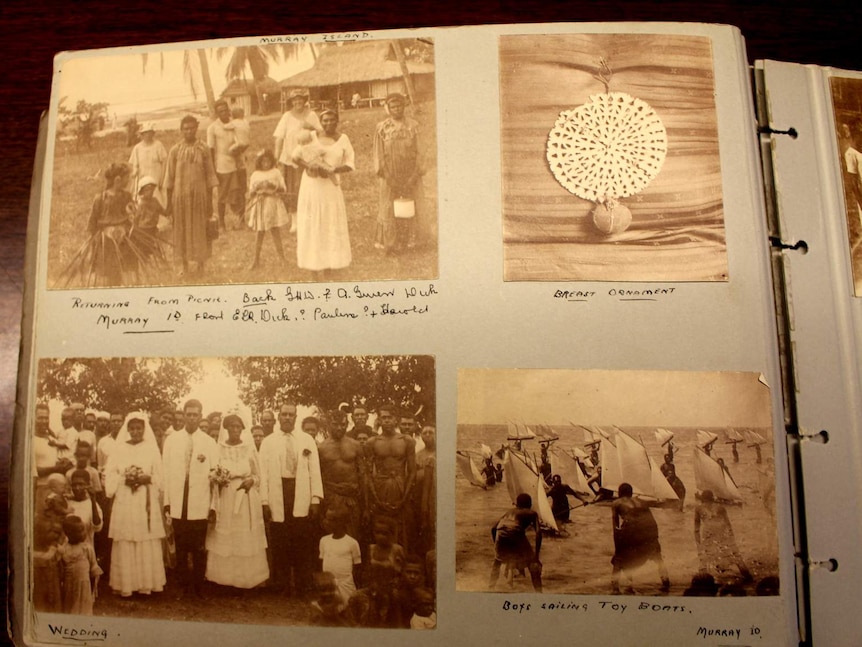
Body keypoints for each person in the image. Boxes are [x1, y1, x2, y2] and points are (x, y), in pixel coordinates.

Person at [258, 403, 324, 597]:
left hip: (300, 492)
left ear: (296, 418)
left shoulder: (307, 440)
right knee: (280, 541)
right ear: (279, 417)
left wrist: (315, 499)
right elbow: (263, 473)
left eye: (291, 415)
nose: (287, 418)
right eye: (284, 414)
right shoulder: (268, 442)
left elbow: (315, 471)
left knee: (302, 542)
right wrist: (264, 501)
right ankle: (281, 585)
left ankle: (303, 585)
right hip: (278, 493)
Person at [104, 412, 166, 597]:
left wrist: (148, 478)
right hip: (125, 497)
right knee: (126, 538)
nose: (135, 431)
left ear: (144, 429)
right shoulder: (119, 448)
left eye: (139, 428)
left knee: (145, 537)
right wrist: (125, 478)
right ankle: (126, 584)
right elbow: (110, 473)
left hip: (144, 499)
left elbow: (160, 477)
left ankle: (147, 584)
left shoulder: (151, 449)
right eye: (132, 428)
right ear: (127, 429)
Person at [161, 399, 218, 597]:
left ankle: (198, 586)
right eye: (189, 414)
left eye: (196, 414)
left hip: (199, 500)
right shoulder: (172, 440)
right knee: (181, 545)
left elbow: (215, 476)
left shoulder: (209, 442)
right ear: (183, 415)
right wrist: (167, 502)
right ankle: (184, 584)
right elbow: (166, 473)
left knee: (199, 546)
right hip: (178, 499)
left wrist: (213, 506)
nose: (192, 418)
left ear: (201, 416)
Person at [205, 414, 269, 589]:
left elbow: (259, 475)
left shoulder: (249, 448)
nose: (235, 430)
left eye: (238, 426)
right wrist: (217, 478)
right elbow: (212, 471)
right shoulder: (219, 449)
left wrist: (252, 481)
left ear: (242, 428)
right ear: (225, 429)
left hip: (246, 496)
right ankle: (225, 580)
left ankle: (246, 579)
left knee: (244, 536)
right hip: (225, 496)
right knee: (228, 534)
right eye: (231, 427)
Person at [292, 109, 354, 278]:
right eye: (325, 120)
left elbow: (350, 163)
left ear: (337, 121)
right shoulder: (311, 136)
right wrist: (310, 166)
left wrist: (334, 169)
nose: (328, 123)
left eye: (332, 120)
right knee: (312, 226)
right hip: (311, 188)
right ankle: (313, 272)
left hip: (330, 190)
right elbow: (295, 157)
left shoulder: (343, 139)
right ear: (321, 121)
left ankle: (329, 267)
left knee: (329, 226)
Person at [163, 115, 218, 278]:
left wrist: (209, 204)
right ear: (181, 130)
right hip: (180, 198)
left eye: (192, 128)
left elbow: (210, 177)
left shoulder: (204, 149)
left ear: (196, 128)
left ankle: (201, 265)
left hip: (199, 197)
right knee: (182, 232)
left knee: (200, 230)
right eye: (185, 128)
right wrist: (169, 205)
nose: (189, 131)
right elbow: (169, 179)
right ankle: (185, 266)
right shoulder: (175, 150)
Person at [373, 92, 427, 254]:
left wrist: (414, 176)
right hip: (390, 176)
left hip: (411, 175)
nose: (397, 109)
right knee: (389, 207)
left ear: (404, 107)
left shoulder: (414, 126)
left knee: (412, 205)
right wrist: (388, 176)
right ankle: (391, 243)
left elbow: (421, 152)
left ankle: (413, 241)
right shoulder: (382, 128)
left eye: (400, 106)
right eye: (393, 106)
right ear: (388, 108)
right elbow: (379, 154)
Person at [365, 403, 416, 550]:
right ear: (379, 420)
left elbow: (412, 471)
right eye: (383, 418)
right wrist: (376, 498)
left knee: (402, 529)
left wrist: (404, 498)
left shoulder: (407, 441)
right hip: (380, 489)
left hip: (400, 488)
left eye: (390, 417)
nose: (386, 421)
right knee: (382, 526)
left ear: (396, 420)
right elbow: (368, 473)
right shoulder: (372, 442)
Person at [274, 88, 322, 232]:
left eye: (300, 99)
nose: (298, 102)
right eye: (294, 100)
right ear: (291, 102)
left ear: (304, 100)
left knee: (310, 188)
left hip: (309, 158)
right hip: (291, 159)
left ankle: (310, 219)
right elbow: (279, 137)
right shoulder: (287, 116)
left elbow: (321, 132)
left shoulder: (312, 115)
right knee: (292, 189)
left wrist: (311, 127)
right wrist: (276, 156)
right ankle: (295, 221)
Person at [610, 482, 670, 594]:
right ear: (631, 493)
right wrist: (655, 538)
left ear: (620, 493)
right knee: (658, 558)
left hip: (632, 528)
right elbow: (651, 521)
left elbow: (615, 526)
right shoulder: (642, 502)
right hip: (649, 529)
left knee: (619, 558)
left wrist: (617, 545)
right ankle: (666, 582)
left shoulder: (616, 503)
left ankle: (615, 588)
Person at [318, 409, 363, 541]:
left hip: (352, 498)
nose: (339, 428)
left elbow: (363, 475)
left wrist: (365, 504)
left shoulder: (355, 445)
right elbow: (318, 477)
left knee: (353, 537)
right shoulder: (321, 448)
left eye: (343, 424)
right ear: (328, 425)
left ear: (347, 424)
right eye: (335, 424)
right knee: (331, 536)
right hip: (331, 498)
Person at [693, 489, 753, 582]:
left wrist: (698, 543)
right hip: (721, 531)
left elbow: (696, 528)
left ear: (702, 499)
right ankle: (748, 577)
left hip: (708, 533)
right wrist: (731, 537)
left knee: (705, 557)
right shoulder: (720, 507)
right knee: (734, 555)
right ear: (712, 498)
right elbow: (727, 523)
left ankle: (702, 580)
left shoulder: (699, 508)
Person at [489, 493, 542, 592]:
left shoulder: (508, 512)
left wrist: (497, 547)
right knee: (533, 564)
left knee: (497, 562)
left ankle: (489, 588)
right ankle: (539, 593)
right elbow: (538, 533)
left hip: (500, 534)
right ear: (529, 504)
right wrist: (536, 556)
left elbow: (493, 528)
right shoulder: (531, 513)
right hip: (515, 531)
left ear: (517, 504)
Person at [246, 149, 289, 269]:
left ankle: (282, 258)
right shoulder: (255, 175)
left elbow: (283, 189)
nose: (266, 164)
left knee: (275, 231)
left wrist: (271, 186)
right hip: (260, 205)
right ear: (259, 162)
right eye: (263, 162)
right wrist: (257, 189)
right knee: (259, 233)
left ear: (272, 161)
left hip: (272, 204)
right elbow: (250, 193)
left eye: (268, 161)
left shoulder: (276, 173)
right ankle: (256, 260)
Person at [208, 99, 246, 230]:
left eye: (225, 110)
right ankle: (222, 223)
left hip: (239, 161)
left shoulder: (236, 124)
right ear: (216, 113)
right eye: (221, 111)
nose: (224, 113)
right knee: (223, 194)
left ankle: (242, 220)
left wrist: (240, 150)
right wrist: (212, 171)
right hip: (223, 164)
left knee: (240, 190)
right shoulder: (213, 128)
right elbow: (211, 150)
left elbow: (244, 140)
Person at [59, 515, 102, 615]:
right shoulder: (64, 549)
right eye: (79, 531)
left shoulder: (87, 548)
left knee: (84, 609)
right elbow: (61, 571)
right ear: (68, 534)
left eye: (83, 530)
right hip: (69, 586)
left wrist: (91, 589)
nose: (84, 533)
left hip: (85, 586)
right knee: (70, 609)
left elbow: (93, 570)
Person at [319, 508, 361, 606]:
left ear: (341, 522)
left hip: (346, 584)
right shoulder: (324, 541)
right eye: (326, 519)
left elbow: (357, 568)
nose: (326, 522)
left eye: (330, 520)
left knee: (347, 609)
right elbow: (321, 563)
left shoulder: (352, 543)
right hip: (329, 586)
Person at [128, 122, 168, 208]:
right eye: (145, 133)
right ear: (141, 135)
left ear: (153, 133)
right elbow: (135, 165)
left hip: (156, 179)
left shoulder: (158, 145)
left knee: (158, 201)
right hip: (143, 180)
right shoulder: (137, 148)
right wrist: (134, 174)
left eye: (150, 133)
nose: (148, 135)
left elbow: (164, 163)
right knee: (143, 204)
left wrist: (162, 179)